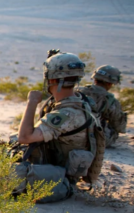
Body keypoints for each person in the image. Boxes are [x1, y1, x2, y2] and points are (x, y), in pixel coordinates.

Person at [13, 50, 99, 203]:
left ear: (50, 79)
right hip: (54, 170)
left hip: (59, 180)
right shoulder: (78, 101)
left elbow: (25, 137)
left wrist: (32, 102)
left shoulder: (68, 113)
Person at [77, 65, 127, 147]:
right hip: (93, 139)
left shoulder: (77, 91)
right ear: (110, 83)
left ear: (95, 78)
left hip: (70, 133)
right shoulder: (111, 100)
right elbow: (119, 127)